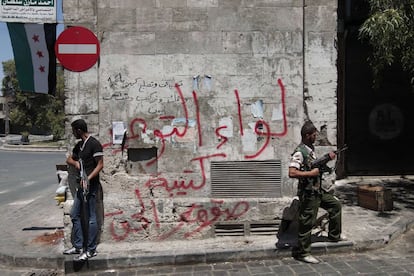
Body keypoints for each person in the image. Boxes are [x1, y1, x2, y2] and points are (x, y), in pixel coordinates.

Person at [288, 121, 343, 264]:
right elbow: (292, 172)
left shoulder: (310, 149)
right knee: (307, 222)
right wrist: (311, 173)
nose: (316, 137)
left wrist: (327, 158)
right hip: (308, 193)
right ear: (307, 135)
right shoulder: (300, 152)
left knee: (335, 206)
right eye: (314, 134)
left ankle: (334, 236)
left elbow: (314, 164)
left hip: (317, 190)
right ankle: (303, 253)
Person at [63, 119, 104, 261]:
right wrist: (75, 163)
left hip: (91, 186)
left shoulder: (94, 144)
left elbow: (100, 165)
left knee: (92, 217)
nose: (73, 133)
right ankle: (79, 246)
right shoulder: (79, 146)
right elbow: (69, 159)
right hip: (81, 186)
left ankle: (91, 250)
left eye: (73, 130)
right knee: (75, 214)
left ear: (79, 130)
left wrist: (88, 178)